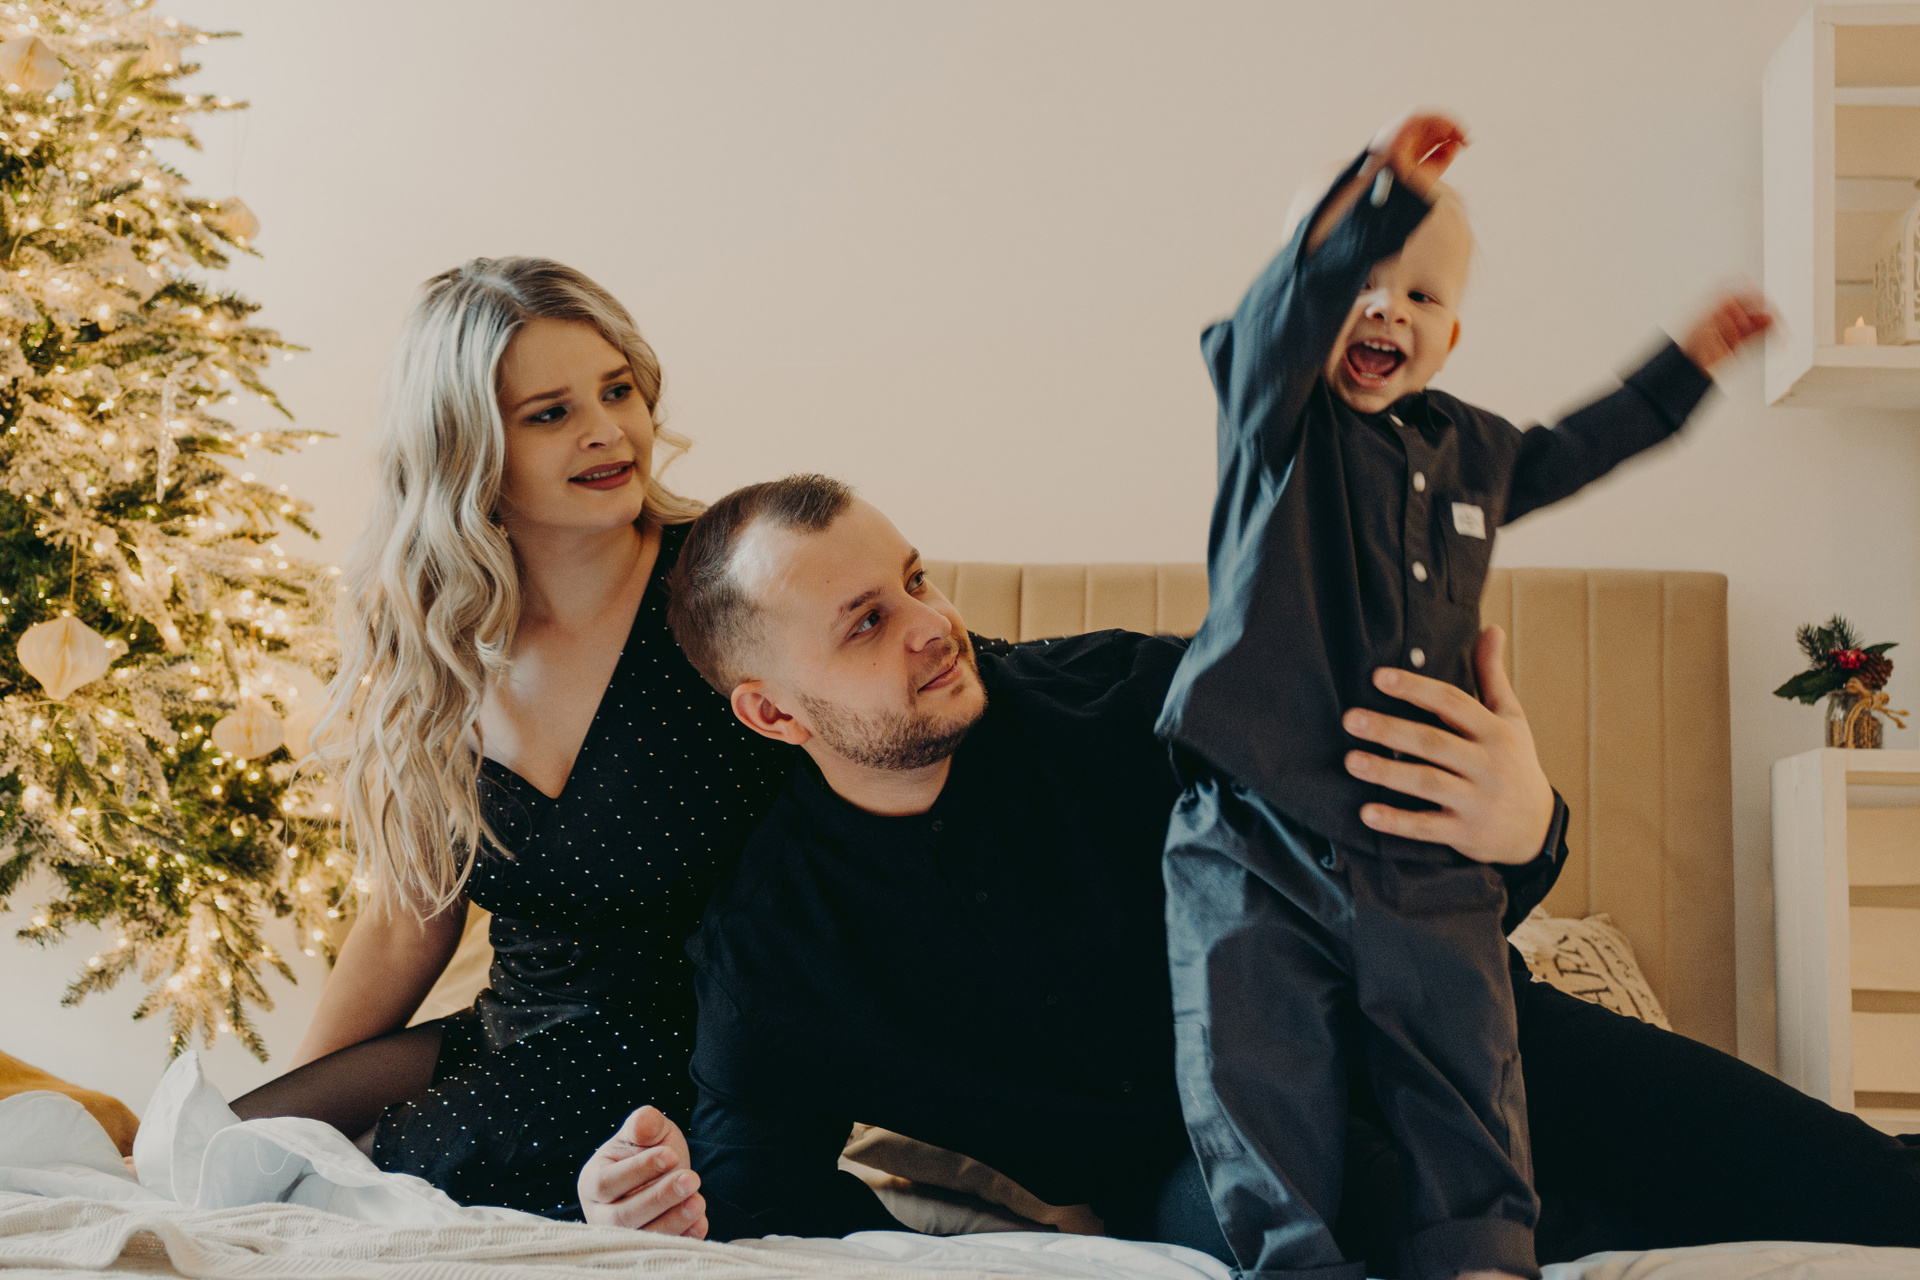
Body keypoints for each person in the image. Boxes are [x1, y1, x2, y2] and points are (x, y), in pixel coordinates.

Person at [609, 473, 1920, 1272]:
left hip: (1465, 1049)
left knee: (1876, 1196)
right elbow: (762, 1192)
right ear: (771, 711)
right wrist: (653, 1201)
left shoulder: (1141, 698)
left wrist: (1523, 830)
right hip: (1213, 1178)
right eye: (866, 622)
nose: (932, 625)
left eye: (914, 579)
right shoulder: (776, 949)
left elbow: (1427, 871)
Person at [1154, 113, 1773, 1280]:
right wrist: (1377, 200)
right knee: (1253, 1058)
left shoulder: (1473, 454)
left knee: (1466, 1051)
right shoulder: (1274, 417)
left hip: (1427, 840)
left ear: (1451, 336)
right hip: (1256, 828)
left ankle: (1480, 1251)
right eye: (1357, 280)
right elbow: (1276, 322)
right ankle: (1289, 1260)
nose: (1384, 308)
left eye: (1420, 296)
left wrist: (1688, 364)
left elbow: (1579, 445)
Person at [226, 258, 796, 1231]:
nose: (607, 430)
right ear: (466, 446)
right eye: (551, 412)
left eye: (617, 390)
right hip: (510, 1031)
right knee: (229, 1153)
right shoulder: (437, 637)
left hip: (695, 1049)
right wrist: (292, 1124)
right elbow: (409, 919)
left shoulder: (734, 586)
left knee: (387, 1179)